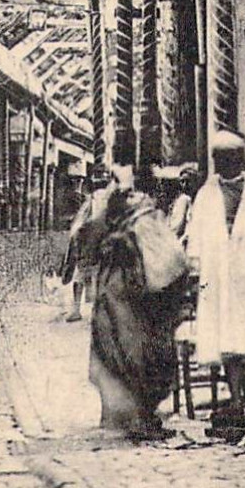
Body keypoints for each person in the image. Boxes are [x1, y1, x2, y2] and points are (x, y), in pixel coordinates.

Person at [185, 133, 245, 429]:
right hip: (220, 276)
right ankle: (237, 400)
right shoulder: (207, 194)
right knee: (227, 341)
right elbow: (196, 237)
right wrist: (199, 265)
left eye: (230, 159)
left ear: (240, 160)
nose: (224, 165)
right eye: (220, 159)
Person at [87, 187, 190, 440]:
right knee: (134, 358)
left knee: (126, 358)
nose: (140, 196)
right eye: (133, 195)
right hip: (126, 303)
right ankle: (137, 419)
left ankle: (132, 417)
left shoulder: (130, 225)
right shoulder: (136, 226)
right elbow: (168, 266)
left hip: (122, 300)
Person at [63, 164, 115, 322]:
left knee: (82, 276)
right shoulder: (109, 199)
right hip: (103, 242)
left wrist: (76, 238)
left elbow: (80, 224)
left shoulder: (92, 200)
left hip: (91, 243)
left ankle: (78, 309)